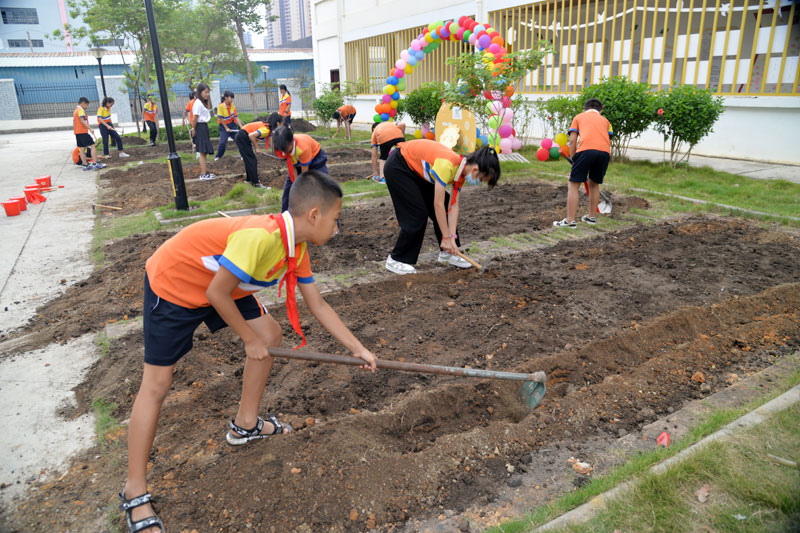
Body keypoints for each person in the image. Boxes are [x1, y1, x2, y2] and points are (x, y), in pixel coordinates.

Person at [119, 170, 377, 533]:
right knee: (158, 384)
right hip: (176, 283)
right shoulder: (261, 238)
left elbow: (317, 305)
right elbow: (215, 294)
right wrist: (248, 340)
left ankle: (245, 425)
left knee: (269, 334)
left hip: (224, 285)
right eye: (336, 219)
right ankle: (134, 490)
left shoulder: (296, 246)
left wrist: (359, 349)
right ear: (314, 215)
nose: (338, 228)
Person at [383, 139, 500, 275]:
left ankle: (448, 252)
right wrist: (445, 237)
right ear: (476, 169)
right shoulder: (447, 164)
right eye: (481, 180)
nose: (478, 183)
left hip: (416, 172)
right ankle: (397, 259)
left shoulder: (460, 172)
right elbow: (436, 203)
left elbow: (453, 206)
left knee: (446, 203)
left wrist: (451, 238)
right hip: (399, 166)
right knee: (417, 214)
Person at [553, 98, 613, 228]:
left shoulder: (579, 117)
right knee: (594, 184)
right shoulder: (606, 121)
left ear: (584, 109)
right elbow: (608, 139)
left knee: (573, 184)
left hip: (586, 150)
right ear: (600, 111)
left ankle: (570, 221)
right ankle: (591, 217)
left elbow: (573, 140)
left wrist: (574, 157)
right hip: (604, 153)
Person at [272, 126, 329, 213]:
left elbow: (304, 176)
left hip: (315, 160)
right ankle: (285, 220)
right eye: (282, 150)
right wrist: (295, 184)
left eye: (286, 150)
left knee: (321, 188)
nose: (284, 153)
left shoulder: (302, 148)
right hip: (297, 162)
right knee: (289, 191)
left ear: (292, 141)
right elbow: (292, 165)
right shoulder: (281, 148)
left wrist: (301, 189)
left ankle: (331, 221)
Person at [235, 119, 272, 188]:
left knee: (248, 160)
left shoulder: (267, 127)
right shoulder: (266, 129)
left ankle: (248, 180)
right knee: (252, 160)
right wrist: (257, 148)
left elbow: (271, 143)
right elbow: (251, 135)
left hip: (242, 136)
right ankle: (256, 183)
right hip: (242, 136)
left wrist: (279, 154)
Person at [191, 83, 215, 181]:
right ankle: (203, 174)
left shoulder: (201, 102)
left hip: (203, 127)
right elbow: (194, 118)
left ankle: (205, 173)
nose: (207, 94)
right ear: (200, 92)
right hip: (200, 127)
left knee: (204, 152)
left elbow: (208, 108)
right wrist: (193, 129)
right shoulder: (198, 103)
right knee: (202, 152)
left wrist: (207, 99)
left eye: (208, 92)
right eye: (205, 92)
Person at [73, 96, 105, 171]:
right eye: (86, 105)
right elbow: (82, 120)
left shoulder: (76, 110)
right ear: (83, 103)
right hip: (83, 132)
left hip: (77, 132)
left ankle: (86, 165)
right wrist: (90, 128)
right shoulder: (80, 110)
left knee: (82, 148)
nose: (86, 107)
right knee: (93, 146)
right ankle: (95, 163)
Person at [215, 90, 244, 161]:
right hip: (223, 126)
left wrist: (241, 127)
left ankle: (243, 155)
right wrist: (226, 128)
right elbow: (221, 119)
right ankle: (218, 157)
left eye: (232, 98)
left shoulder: (232, 106)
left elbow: (236, 117)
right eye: (231, 98)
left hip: (232, 125)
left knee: (239, 139)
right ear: (226, 98)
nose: (232, 99)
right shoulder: (221, 106)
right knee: (223, 142)